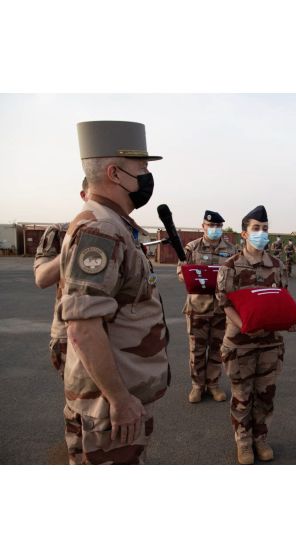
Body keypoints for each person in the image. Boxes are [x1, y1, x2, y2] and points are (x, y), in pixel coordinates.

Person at [59, 120, 170, 464]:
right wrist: (119, 399)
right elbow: (83, 327)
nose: (147, 175)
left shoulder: (114, 223)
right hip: (108, 409)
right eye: (141, 167)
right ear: (115, 173)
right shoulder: (102, 230)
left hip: (113, 400)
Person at [216, 205, 296, 464]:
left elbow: (282, 300)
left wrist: (289, 322)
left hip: (269, 343)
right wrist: (243, 325)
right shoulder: (230, 265)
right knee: (242, 395)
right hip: (240, 343)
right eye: (256, 228)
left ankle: (260, 438)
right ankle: (243, 441)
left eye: (265, 229)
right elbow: (224, 302)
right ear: (244, 234)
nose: (261, 233)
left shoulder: (277, 266)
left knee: (265, 395)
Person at [34, 178, 90, 384]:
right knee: (80, 401)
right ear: (84, 196)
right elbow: (41, 278)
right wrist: (72, 246)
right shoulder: (59, 232)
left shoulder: (120, 231)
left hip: (112, 332)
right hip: (70, 331)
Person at [177, 210, 236, 403]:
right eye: (211, 226)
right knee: (197, 349)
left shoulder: (231, 250)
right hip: (197, 308)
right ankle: (197, 386)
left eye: (218, 226)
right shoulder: (191, 248)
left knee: (217, 348)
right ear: (203, 226)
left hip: (221, 308)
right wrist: (194, 277)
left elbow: (235, 276)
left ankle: (213, 384)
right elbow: (181, 273)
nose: (215, 229)